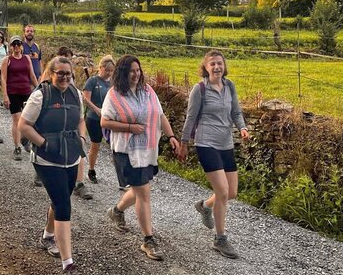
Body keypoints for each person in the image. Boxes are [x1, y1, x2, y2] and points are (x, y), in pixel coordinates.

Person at [18, 56, 87, 275]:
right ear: (51, 73)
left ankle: (48, 236)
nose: (65, 77)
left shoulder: (76, 94)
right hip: (47, 160)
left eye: (68, 73)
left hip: (71, 157)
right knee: (63, 205)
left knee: (61, 199)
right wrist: (44, 144)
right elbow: (23, 126)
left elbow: (80, 119)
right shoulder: (40, 95)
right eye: (60, 73)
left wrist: (82, 137)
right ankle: (68, 266)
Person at [101, 55, 180, 261]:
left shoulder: (148, 91)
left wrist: (171, 136)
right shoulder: (114, 95)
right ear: (122, 73)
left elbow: (160, 115)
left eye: (138, 70)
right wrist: (129, 128)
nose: (136, 74)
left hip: (147, 149)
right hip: (126, 151)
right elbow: (105, 121)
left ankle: (117, 211)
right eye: (131, 71)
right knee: (143, 192)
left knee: (139, 190)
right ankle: (148, 240)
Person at [177, 50, 249, 260]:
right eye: (212, 64)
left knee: (232, 192)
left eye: (220, 63)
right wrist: (184, 143)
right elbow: (191, 118)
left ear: (224, 66)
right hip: (206, 143)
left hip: (226, 143)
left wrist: (242, 128)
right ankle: (220, 239)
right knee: (223, 191)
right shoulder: (199, 89)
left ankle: (205, 206)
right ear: (206, 68)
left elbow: (236, 112)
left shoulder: (230, 86)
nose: (217, 67)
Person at [38, 46, 92, 199]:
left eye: (69, 57)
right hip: (55, 117)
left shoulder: (70, 75)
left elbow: (75, 93)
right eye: (64, 56)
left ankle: (79, 183)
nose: (68, 59)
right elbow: (41, 93)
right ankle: (43, 169)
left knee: (77, 148)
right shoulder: (49, 75)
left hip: (72, 115)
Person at [1, 35, 38, 161]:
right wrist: (5, 96)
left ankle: (25, 139)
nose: (16, 47)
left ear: (21, 45)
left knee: (29, 119)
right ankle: (17, 147)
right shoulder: (7, 60)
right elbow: (4, 79)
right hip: (13, 92)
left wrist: (39, 89)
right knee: (16, 119)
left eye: (18, 44)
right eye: (13, 44)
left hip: (26, 91)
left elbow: (32, 75)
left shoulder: (27, 58)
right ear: (10, 47)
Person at [83, 55, 115, 184]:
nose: (109, 73)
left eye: (111, 70)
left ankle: (121, 174)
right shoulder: (92, 81)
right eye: (106, 70)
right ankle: (91, 169)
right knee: (96, 145)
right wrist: (96, 110)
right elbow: (85, 100)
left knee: (116, 146)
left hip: (110, 119)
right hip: (94, 118)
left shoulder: (113, 83)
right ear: (100, 68)